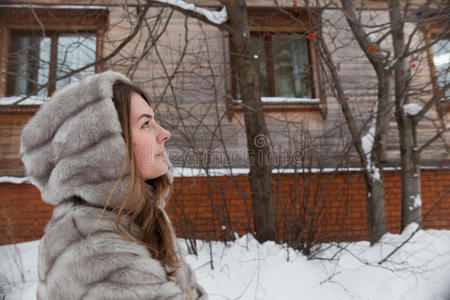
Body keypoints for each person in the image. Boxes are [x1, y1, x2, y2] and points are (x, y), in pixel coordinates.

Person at [20, 71, 207, 300]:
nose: (165, 134)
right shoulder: (93, 253)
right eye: (146, 124)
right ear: (107, 153)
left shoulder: (140, 220)